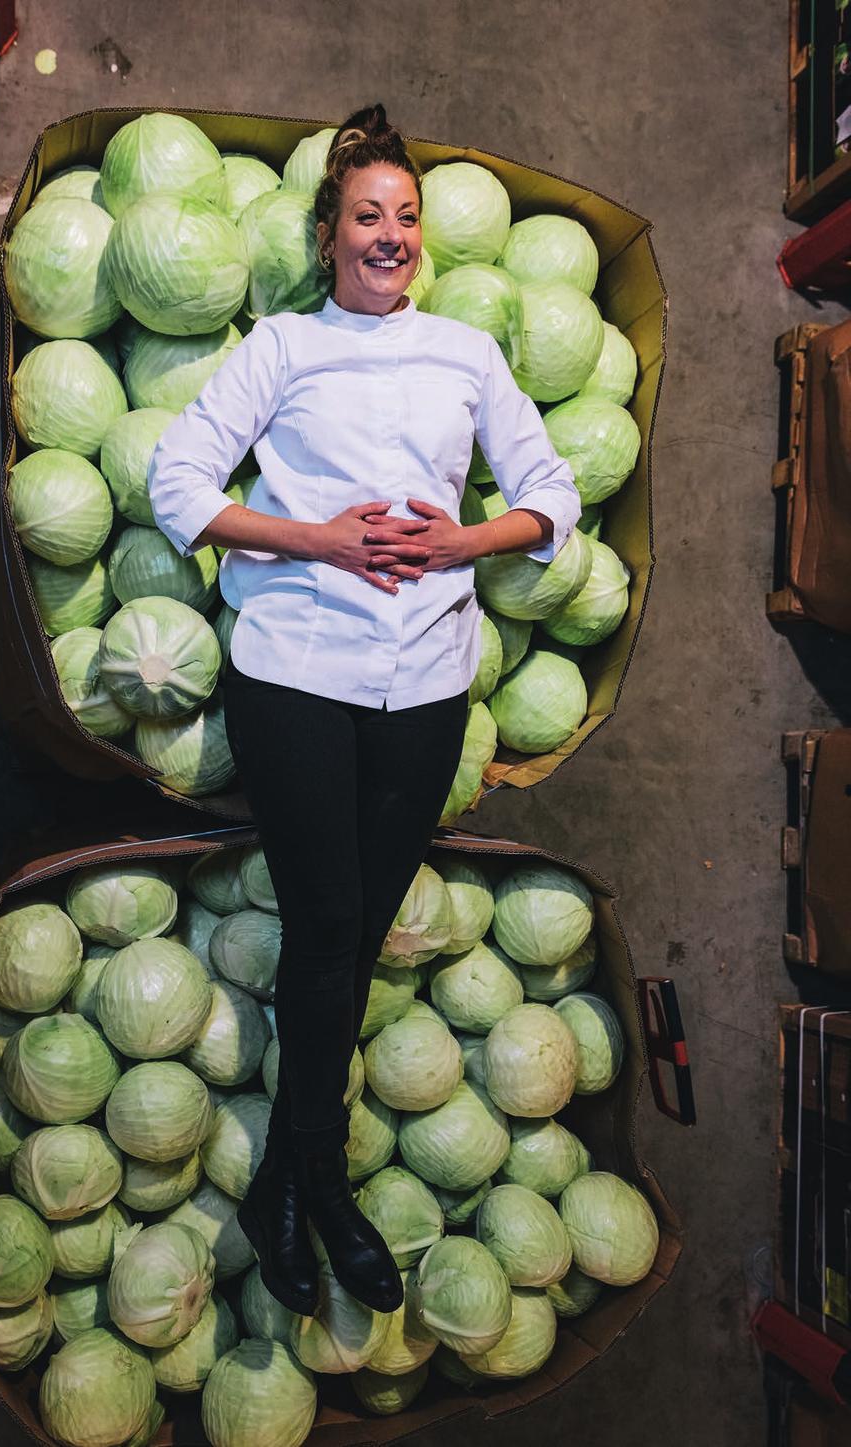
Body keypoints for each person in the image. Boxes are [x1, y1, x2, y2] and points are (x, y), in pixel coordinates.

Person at [148, 103, 581, 1319]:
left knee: (346, 934)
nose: (385, 236)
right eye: (364, 217)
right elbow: (176, 475)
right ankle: (323, 1184)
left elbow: (549, 492)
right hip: (293, 664)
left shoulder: (466, 356)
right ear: (328, 234)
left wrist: (467, 538)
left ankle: (286, 1181)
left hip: (427, 682)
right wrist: (315, 540)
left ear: (419, 240)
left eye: (403, 219)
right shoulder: (282, 347)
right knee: (332, 919)